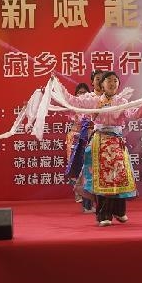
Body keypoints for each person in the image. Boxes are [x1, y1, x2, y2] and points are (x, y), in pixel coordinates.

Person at [61, 71, 142, 227]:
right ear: (102, 84)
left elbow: (134, 114)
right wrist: (57, 87)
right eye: (109, 80)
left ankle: (119, 211)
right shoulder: (94, 101)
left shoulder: (121, 101)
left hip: (117, 143)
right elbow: (74, 101)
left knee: (119, 177)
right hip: (100, 143)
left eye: (115, 81)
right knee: (104, 179)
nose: (112, 83)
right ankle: (104, 214)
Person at [64, 81, 94, 213]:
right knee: (75, 168)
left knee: (88, 169)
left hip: (89, 138)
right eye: (79, 93)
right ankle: (81, 196)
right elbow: (60, 105)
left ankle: (88, 201)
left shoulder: (93, 105)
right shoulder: (72, 105)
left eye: (84, 92)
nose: (82, 94)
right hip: (75, 140)